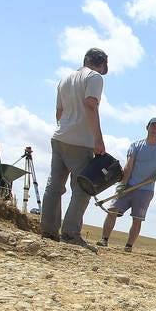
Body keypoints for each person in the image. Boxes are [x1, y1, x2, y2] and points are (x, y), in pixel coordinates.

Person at [40, 48, 109, 248]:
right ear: (103, 63)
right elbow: (90, 104)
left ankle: (48, 230)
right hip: (80, 141)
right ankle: (70, 234)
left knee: (54, 185)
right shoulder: (95, 77)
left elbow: (59, 111)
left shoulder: (65, 78)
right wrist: (98, 139)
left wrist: (64, 129)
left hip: (60, 137)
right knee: (82, 189)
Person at [96, 117, 156, 252]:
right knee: (112, 210)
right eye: (153, 125)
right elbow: (129, 166)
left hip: (146, 190)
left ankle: (128, 246)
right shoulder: (136, 145)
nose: (155, 128)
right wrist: (122, 184)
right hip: (129, 185)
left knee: (137, 219)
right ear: (147, 127)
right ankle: (104, 240)